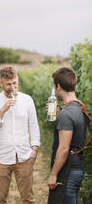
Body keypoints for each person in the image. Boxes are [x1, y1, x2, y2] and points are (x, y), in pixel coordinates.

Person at [0, 66, 41, 204]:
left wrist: (34, 149)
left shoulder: (27, 100)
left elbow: (33, 125)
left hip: (24, 156)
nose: (12, 87)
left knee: (28, 199)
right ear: (1, 83)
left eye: (15, 83)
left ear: (18, 80)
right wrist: (3, 110)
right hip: (1, 157)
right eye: (8, 84)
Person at [47, 67, 88, 204]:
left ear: (58, 87)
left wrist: (53, 174)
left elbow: (63, 149)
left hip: (67, 171)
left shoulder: (67, 114)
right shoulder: (79, 107)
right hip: (77, 167)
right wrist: (58, 114)